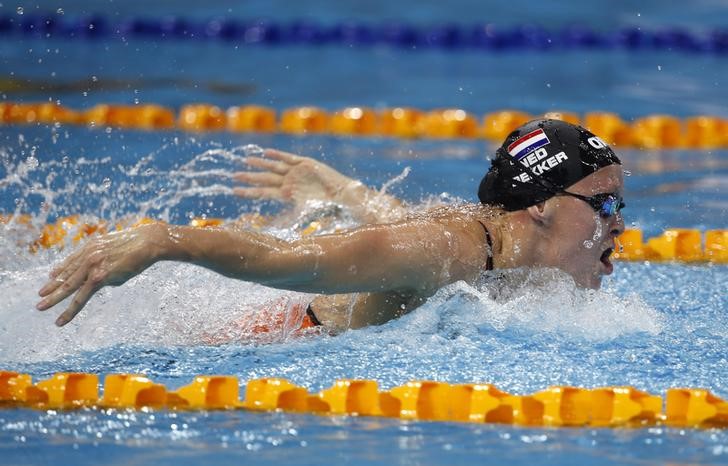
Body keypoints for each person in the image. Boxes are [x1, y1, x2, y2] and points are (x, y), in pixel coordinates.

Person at [36, 119, 626, 334]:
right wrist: (165, 240)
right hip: (277, 336)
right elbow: (289, 259)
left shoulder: (504, 245)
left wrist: (347, 192)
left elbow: (406, 234)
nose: (618, 225)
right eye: (604, 204)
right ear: (542, 204)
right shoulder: (450, 247)